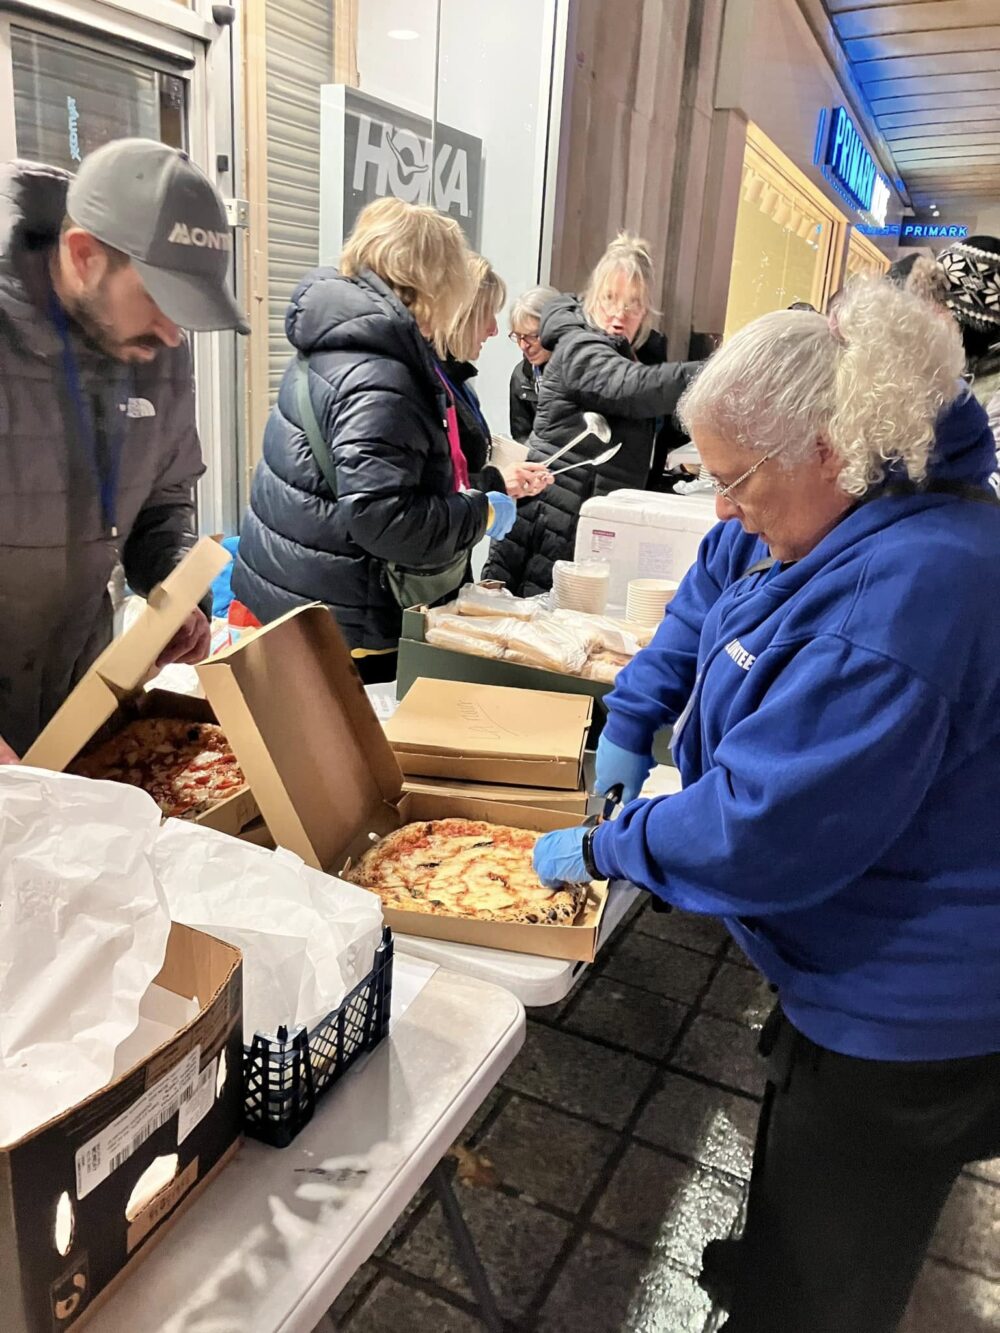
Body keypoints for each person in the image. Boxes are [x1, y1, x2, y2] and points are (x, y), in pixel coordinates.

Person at [531, 276, 1000, 1333]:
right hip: (840, 960)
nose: (723, 502)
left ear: (829, 449)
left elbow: (763, 827)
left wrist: (617, 844)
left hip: (912, 1005)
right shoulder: (830, 496)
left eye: (737, 477)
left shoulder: (910, 592)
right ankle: (773, 1264)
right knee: (799, 1168)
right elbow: (712, 587)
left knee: (834, 1273)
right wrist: (632, 713)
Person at [0, 138, 249, 762]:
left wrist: (172, 588)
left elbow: (163, 498)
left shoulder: (156, 350)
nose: (173, 331)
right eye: (161, 300)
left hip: (70, 697)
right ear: (84, 255)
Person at [231, 198, 517, 684]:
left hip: (298, 602)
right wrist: (480, 512)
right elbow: (384, 519)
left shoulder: (341, 342)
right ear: (432, 284)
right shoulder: (380, 374)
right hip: (342, 625)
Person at [484, 232, 697, 597]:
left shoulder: (633, 353)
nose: (619, 313)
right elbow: (629, 388)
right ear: (593, 298)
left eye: (633, 304)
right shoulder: (579, 344)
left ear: (645, 310)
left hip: (589, 525)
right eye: (611, 298)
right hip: (550, 522)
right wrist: (721, 371)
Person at [438, 257, 553, 500]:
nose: (494, 330)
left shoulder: (459, 382)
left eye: (532, 336)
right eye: (487, 315)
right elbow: (431, 486)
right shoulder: (429, 382)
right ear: (462, 316)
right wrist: (497, 482)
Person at [508, 283, 559, 442]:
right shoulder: (520, 376)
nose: (523, 346)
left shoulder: (584, 371)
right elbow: (521, 437)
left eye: (532, 336)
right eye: (518, 336)